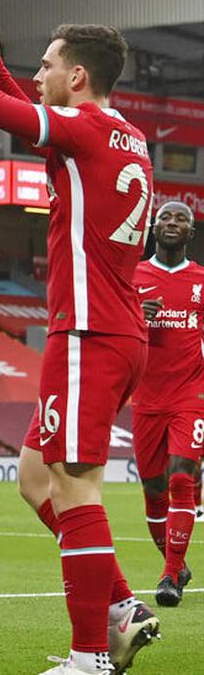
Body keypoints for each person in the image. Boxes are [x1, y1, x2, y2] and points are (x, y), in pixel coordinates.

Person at [0, 0, 156, 674]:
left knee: (74, 487)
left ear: (77, 75)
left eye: (45, 66)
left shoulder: (83, 129)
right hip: (112, 329)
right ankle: (122, 607)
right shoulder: (122, 134)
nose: (36, 75)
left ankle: (88, 656)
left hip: (88, 333)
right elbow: (28, 118)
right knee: (33, 478)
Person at [130, 201, 203, 606]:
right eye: (165, 218)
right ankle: (176, 563)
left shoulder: (201, 281)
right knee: (153, 487)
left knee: (180, 478)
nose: (172, 222)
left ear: (191, 232)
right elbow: (112, 329)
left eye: (181, 219)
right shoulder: (132, 277)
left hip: (191, 395)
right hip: (145, 397)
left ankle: (169, 577)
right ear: (153, 229)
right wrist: (134, 316)